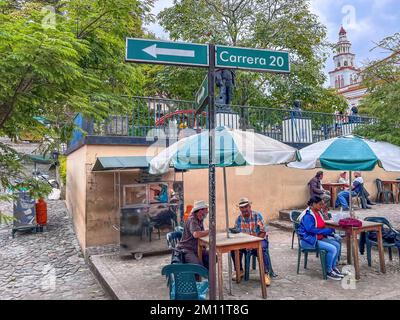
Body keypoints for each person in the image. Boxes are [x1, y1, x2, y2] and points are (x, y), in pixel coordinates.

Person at [230, 198, 275, 286]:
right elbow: (237, 234)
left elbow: (263, 232)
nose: (244, 209)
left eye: (246, 207)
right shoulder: (239, 219)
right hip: (245, 243)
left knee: (261, 249)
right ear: (240, 209)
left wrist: (253, 243)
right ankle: (239, 270)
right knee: (234, 249)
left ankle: (265, 273)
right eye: (242, 208)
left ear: (250, 207)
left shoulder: (257, 216)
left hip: (259, 240)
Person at [297, 196, 344, 281]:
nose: (322, 206)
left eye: (322, 204)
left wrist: (331, 233)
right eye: (320, 204)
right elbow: (310, 229)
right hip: (308, 240)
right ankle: (328, 271)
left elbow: (322, 224)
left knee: (337, 245)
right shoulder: (308, 215)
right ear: (313, 204)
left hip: (317, 238)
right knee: (332, 249)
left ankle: (333, 268)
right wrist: (325, 231)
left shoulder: (318, 212)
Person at [176, 200, 209, 268]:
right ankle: (197, 277)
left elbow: (200, 233)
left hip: (196, 248)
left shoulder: (199, 219)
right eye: (206, 210)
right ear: (200, 211)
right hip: (187, 249)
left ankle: (208, 276)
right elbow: (196, 234)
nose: (207, 212)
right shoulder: (193, 219)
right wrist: (210, 231)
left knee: (212, 257)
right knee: (197, 266)